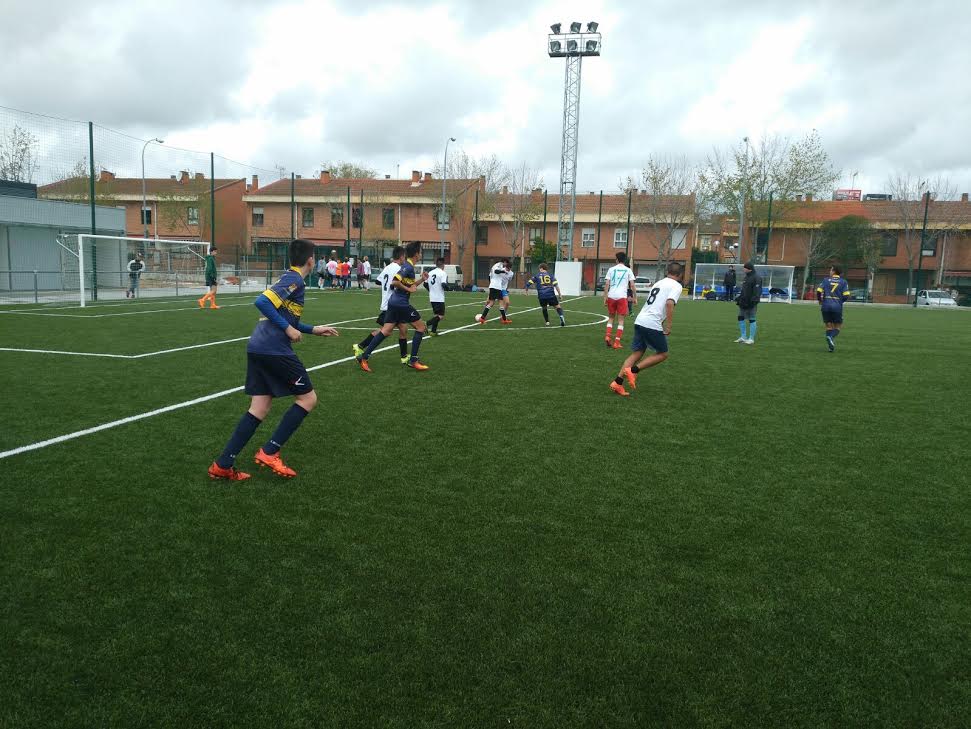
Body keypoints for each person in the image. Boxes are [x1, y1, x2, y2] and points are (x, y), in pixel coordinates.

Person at [208, 238, 339, 481]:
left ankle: (223, 464)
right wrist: (289, 330)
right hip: (273, 348)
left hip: (258, 346)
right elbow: (261, 302)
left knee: (259, 407)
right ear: (311, 259)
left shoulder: (289, 278)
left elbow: (286, 317)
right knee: (308, 399)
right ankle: (270, 451)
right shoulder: (295, 279)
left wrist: (312, 329)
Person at [610, 261, 683, 397]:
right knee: (663, 354)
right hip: (651, 323)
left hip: (640, 320)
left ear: (667, 271)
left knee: (637, 353)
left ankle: (617, 382)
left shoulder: (659, 283)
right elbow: (669, 303)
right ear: (680, 274)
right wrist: (668, 325)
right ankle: (634, 370)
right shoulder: (676, 286)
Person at [356, 241, 430, 371]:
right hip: (400, 303)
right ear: (416, 254)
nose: (421, 254)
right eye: (421, 252)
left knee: (386, 330)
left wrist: (421, 280)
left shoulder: (407, 266)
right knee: (421, 327)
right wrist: (408, 290)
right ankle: (413, 360)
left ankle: (364, 356)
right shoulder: (408, 267)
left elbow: (409, 286)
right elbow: (395, 282)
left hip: (393, 302)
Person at [353, 246, 410, 364]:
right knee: (387, 331)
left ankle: (404, 357)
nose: (405, 259)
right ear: (401, 256)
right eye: (405, 256)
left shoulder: (388, 267)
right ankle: (362, 349)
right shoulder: (399, 269)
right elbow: (394, 285)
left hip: (388, 303)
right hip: (392, 304)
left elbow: (378, 281)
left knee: (401, 329)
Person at [603, 252, 636, 348]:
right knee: (621, 320)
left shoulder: (611, 269)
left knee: (611, 318)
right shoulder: (628, 270)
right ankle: (617, 342)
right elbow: (632, 285)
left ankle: (607, 336)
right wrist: (635, 297)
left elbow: (607, 284)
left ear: (616, 259)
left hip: (611, 296)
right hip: (622, 297)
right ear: (625, 260)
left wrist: (605, 297)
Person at [816, 264, 851, 352]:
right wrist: (840, 301)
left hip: (825, 305)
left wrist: (820, 300)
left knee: (828, 326)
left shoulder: (825, 280)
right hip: (837, 306)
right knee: (838, 326)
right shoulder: (843, 282)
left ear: (834, 271)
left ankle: (830, 346)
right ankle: (830, 337)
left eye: (831, 270)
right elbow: (846, 295)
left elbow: (819, 291)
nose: (830, 271)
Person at [477, 258, 513, 324]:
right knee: (501, 303)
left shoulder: (496, 266)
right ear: (503, 262)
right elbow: (496, 271)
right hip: (497, 287)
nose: (506, 265)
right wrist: (503, 271)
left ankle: (482, 318)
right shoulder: (499, 265)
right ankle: (504, 320)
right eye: (505, 263)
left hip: (493, 286)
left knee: (491, 303)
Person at [735, 261, 762, 344]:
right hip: (743, 302)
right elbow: (744, 290)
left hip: (751, 302)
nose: (743, 269)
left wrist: (753, 301)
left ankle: (751, 339)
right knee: (740, 317)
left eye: (744, 267)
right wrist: (740, 298)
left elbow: (757, 291)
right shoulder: (746, 277)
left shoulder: (756, 277)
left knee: (752, 319)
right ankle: (743, 337)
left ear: (749, 269)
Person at [424, 256, 450, 335]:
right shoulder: (443, 273)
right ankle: (426, 324)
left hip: (432, 297)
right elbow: (443, 284)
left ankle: (433, 331)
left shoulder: (431, 272)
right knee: (441, 316)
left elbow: (425, 284)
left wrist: (431, 290)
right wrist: (448, 288)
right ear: (443, 265)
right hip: (439, 298)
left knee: (436, 315)